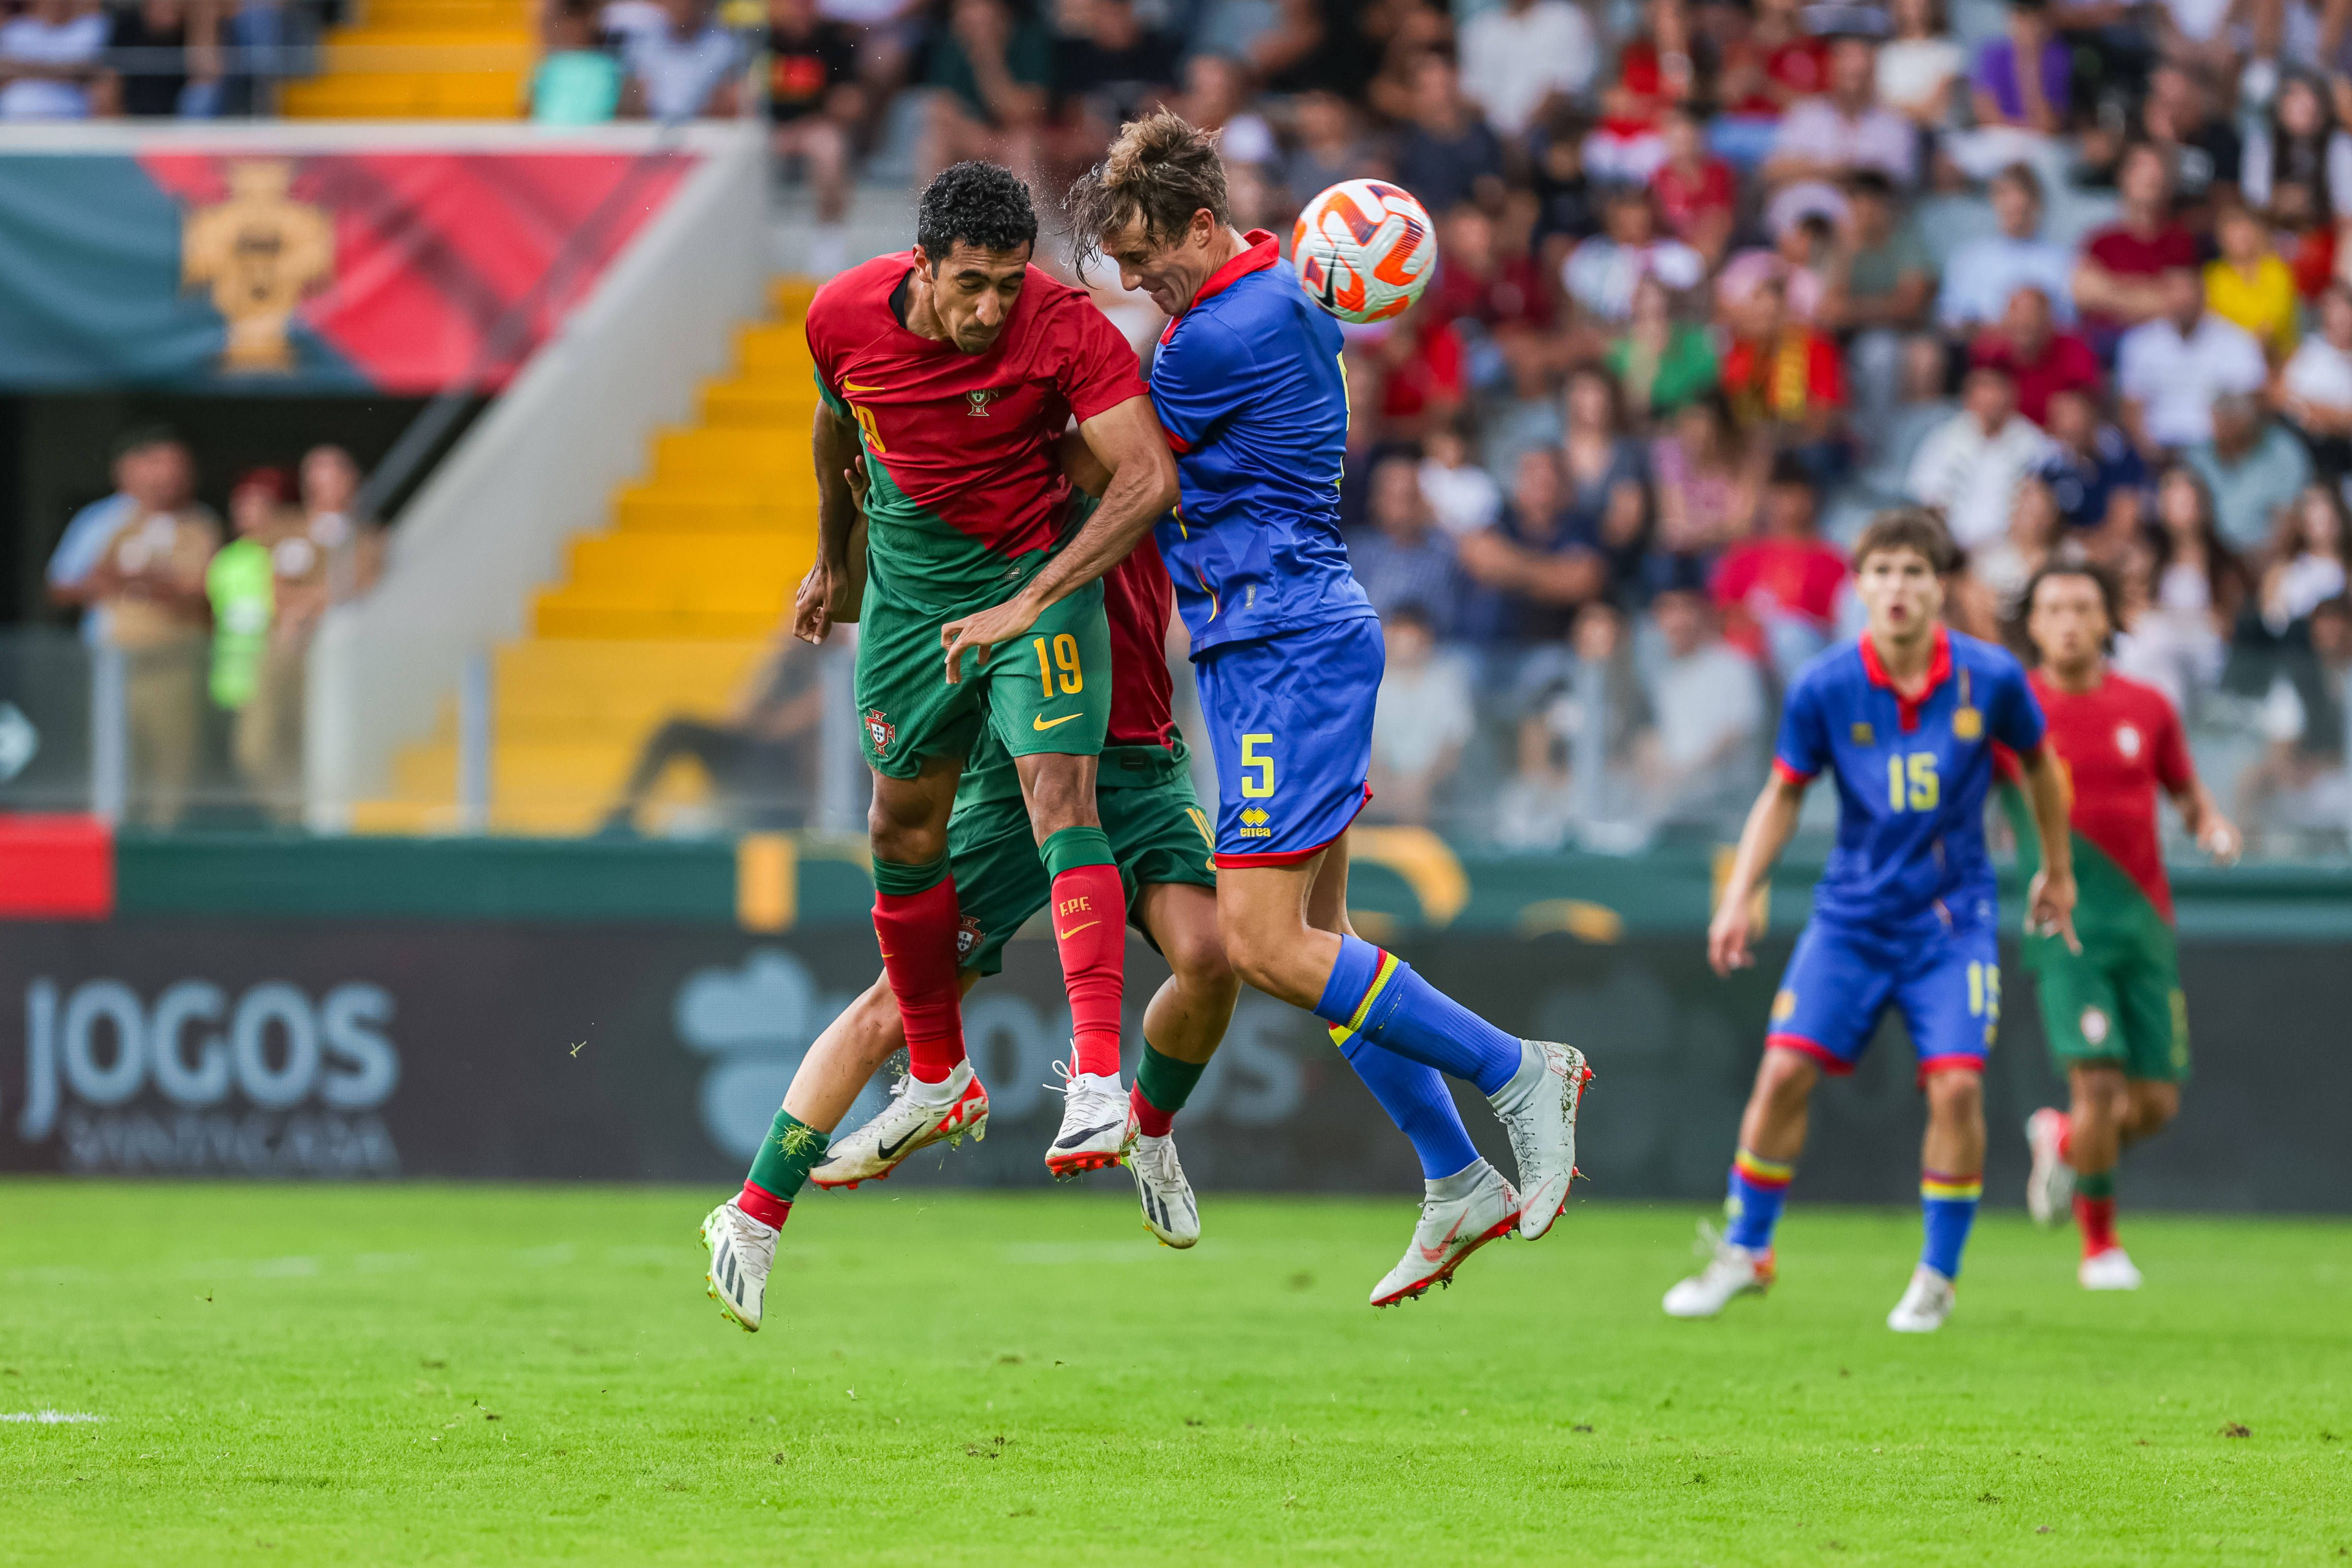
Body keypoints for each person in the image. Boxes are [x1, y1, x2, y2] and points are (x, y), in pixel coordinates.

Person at [1062, 110, 1591, 1306]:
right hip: (1281, 642)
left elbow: (1116, 473)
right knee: (1324, 941)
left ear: (1207, 223)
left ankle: (1521, 1074)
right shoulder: (1265, 294)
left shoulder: (1216, 335)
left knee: (1258, 943)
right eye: (1127, 265)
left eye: (1150, 255)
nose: (1141, 280)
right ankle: (1455, 1175)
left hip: (1282, 649)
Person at [701, 441, 1236, 1332]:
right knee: (896, 1005)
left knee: (1215, 956)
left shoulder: (1127, 457)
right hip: (1012, 777)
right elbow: (893, 562)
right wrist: (836, 562)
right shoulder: (978, 476)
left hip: (1140, 765)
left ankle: (1148, 1124)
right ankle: (754, 1212)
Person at [771, 164, 1179, 1246]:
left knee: (1061, 796)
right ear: (920, 265)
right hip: (909, 605)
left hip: (1029, 588)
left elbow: (1145, 478)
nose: (991, 308)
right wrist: (830, 560)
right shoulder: (837, 315)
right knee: (897, 831)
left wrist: (1034, 598)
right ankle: (938, 1075)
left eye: (1008, 282)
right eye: (971, 286)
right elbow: (836, 430)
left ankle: (1097, 1078)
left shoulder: (1064, 327)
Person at [1666, 510, 2078, 1333]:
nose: (1897, 587)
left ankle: (1937, 1274)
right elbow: (1784, 790)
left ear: (1940, 587)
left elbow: (2040, 767)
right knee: (1782, 1073)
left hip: (1950, 924)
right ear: (1859, 586)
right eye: (1882, 571)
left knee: (1957, 1086)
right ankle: (1746, 1249)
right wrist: (1743, 888)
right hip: (1849, 919)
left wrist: (2056, 869)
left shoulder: (1991, 678)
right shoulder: (1823, 683)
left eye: (1914, 572)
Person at [2010, 563, 2238, 1290]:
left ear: (2108, 620)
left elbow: (2185, 792)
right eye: (2052, 609)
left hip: (2143, 926)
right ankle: (2098, 1247)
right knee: (2100, 1086)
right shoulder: (2012, 714)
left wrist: (2211, 826)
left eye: (2082, 607)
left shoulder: (2147, 707)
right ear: (2034, 624)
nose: (2068, 622)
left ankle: (2063, 1140)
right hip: (2064, 925)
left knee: (2154, 1106)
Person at [2114, 267, 2267, 455]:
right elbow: (2131, 407)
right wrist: (2149, 451)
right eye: (2174, 290)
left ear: (2203, 293)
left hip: (2218, 452)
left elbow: (2251, 402)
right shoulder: (2139, 343)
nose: (2182, 299)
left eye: (2188, 290)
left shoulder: (2236, 341)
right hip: (2160, 451)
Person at [1905, 363, 2056, 549]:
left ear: (2013, 395)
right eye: (1984, 389)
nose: (1992, 399)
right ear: (1968, 397)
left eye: (1998, 389)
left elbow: (2045, 510)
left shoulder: (2036, 446)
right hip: (1952, 551)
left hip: (2013, 552)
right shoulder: (1942, 440)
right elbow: (1927, 502)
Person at [2072, 141, 2198, 351]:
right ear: (2124, 177)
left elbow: (2180, 303)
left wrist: (2111, 290)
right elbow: (2084, 295)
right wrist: (2153, 293)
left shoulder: (2180, 241)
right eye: (2142, 168)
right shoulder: (2099, 240)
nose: (2151, 176)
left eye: (2158, 170)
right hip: (2103, 351)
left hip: (2160, 353)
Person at [761, 0, 863, 240]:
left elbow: (852, 103)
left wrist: (824, 106)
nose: (800, 9)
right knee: (741, 150)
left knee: (829, 147)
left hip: (815, 128)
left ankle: (830, 241)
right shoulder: (761, 41)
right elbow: (738, 98)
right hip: (767, 131)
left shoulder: (834, 41)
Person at [1936, 163, 2076, 334]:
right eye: (2003, 194)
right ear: (1994, 201)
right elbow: (1950, 318)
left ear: (2037, 202)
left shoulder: (2062, 260)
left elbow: (2069, 322)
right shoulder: (1969, 257)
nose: (2013, 202)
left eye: (2021, 194)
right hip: (1983, 352)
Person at [2183, 392, 2311, 553]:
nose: (2225, 431)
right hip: (2213, 557)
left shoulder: (2282, 450)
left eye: (2232, 423)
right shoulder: (2199, 455)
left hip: (2268, 556)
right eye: (2220, 423)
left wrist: (2265, 566)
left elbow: (2289, 517)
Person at [1457, 0, 1596, 141]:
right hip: (1491, 142)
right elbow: (1473, 95)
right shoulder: (1478, 29)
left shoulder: (1566, 19)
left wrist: (1523, 135)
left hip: (1552, 136)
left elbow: (1568, 87)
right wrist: (1504, 139)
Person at [1968, 284, 2098, 428]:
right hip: (2007, 440)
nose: (2023, 323)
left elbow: (2082, 413)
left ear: (2048, 320)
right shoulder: (1992, 353)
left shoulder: (2074, 350)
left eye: (2031, 318)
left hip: (2056, 441)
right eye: (2017, 318)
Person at [2203, 202, 2300, 363]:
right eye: (2233, 229)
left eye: (2245, 228)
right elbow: (2213, 326)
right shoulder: (2211, 277)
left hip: (2278, 360)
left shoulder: (2277, 270)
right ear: (2221, 237)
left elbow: (2273, 325)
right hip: (2228, 362)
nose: (2242, 236)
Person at [530, 0, 625, 124]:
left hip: (591, 138)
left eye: (575, 24)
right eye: (565, 24)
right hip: (549, 138)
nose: (570, 31)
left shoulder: (605, 67)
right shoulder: (549, 65)